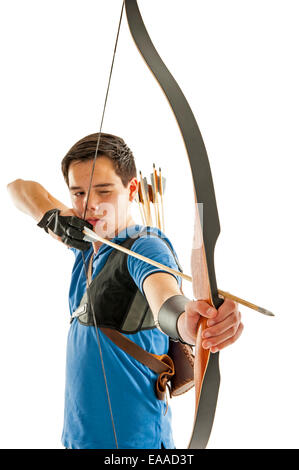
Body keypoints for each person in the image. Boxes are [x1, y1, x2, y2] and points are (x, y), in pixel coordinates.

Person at [7, 132, 243, 449]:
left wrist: (189, 323)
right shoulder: (86, 244)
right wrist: (59, 220)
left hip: (133, 445)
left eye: (103, 191)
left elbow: (166, 300)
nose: (89, 205)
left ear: (131, 189)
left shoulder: (146, 246)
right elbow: (19, 189)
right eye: (78, 193)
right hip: (80, 441)